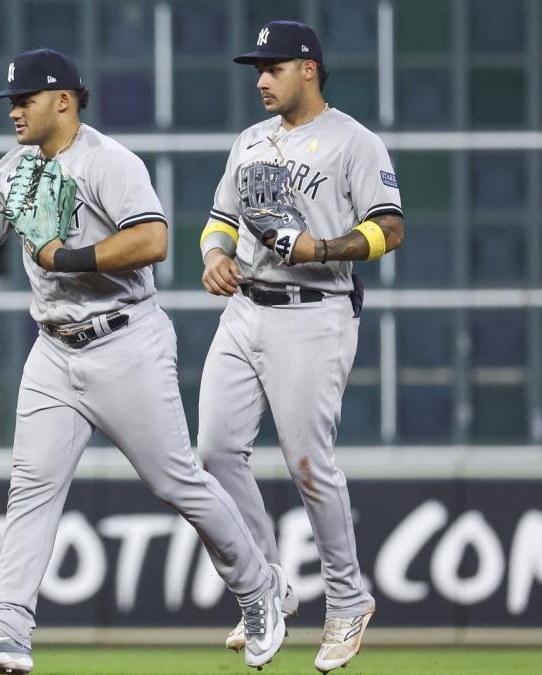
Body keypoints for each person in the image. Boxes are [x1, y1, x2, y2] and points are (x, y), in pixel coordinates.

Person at [0, 48, 288, 674]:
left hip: (125, 339)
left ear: (64, 100)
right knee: (31, 489)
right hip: (52, 348)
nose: (15, 111)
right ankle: (9, 629)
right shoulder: (10, 173)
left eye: (27, 100)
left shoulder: (108, 161)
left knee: (175, 480)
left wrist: (63, 259)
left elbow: (152, 240)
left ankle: (260, 588)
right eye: (12, 102)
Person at [197, 21, 405, 674]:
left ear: (308, 69)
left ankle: (347, 598)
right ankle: (266, 583)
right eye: (258, 68)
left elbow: (391, 225)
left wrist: (326, 246)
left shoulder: (352, 141)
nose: (261, 78)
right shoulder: (249, 141)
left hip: (313, 312)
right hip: (244, 309)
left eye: (274, 66)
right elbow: (220, 220)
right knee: (211, 451)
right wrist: (212, 257)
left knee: (308, 463)